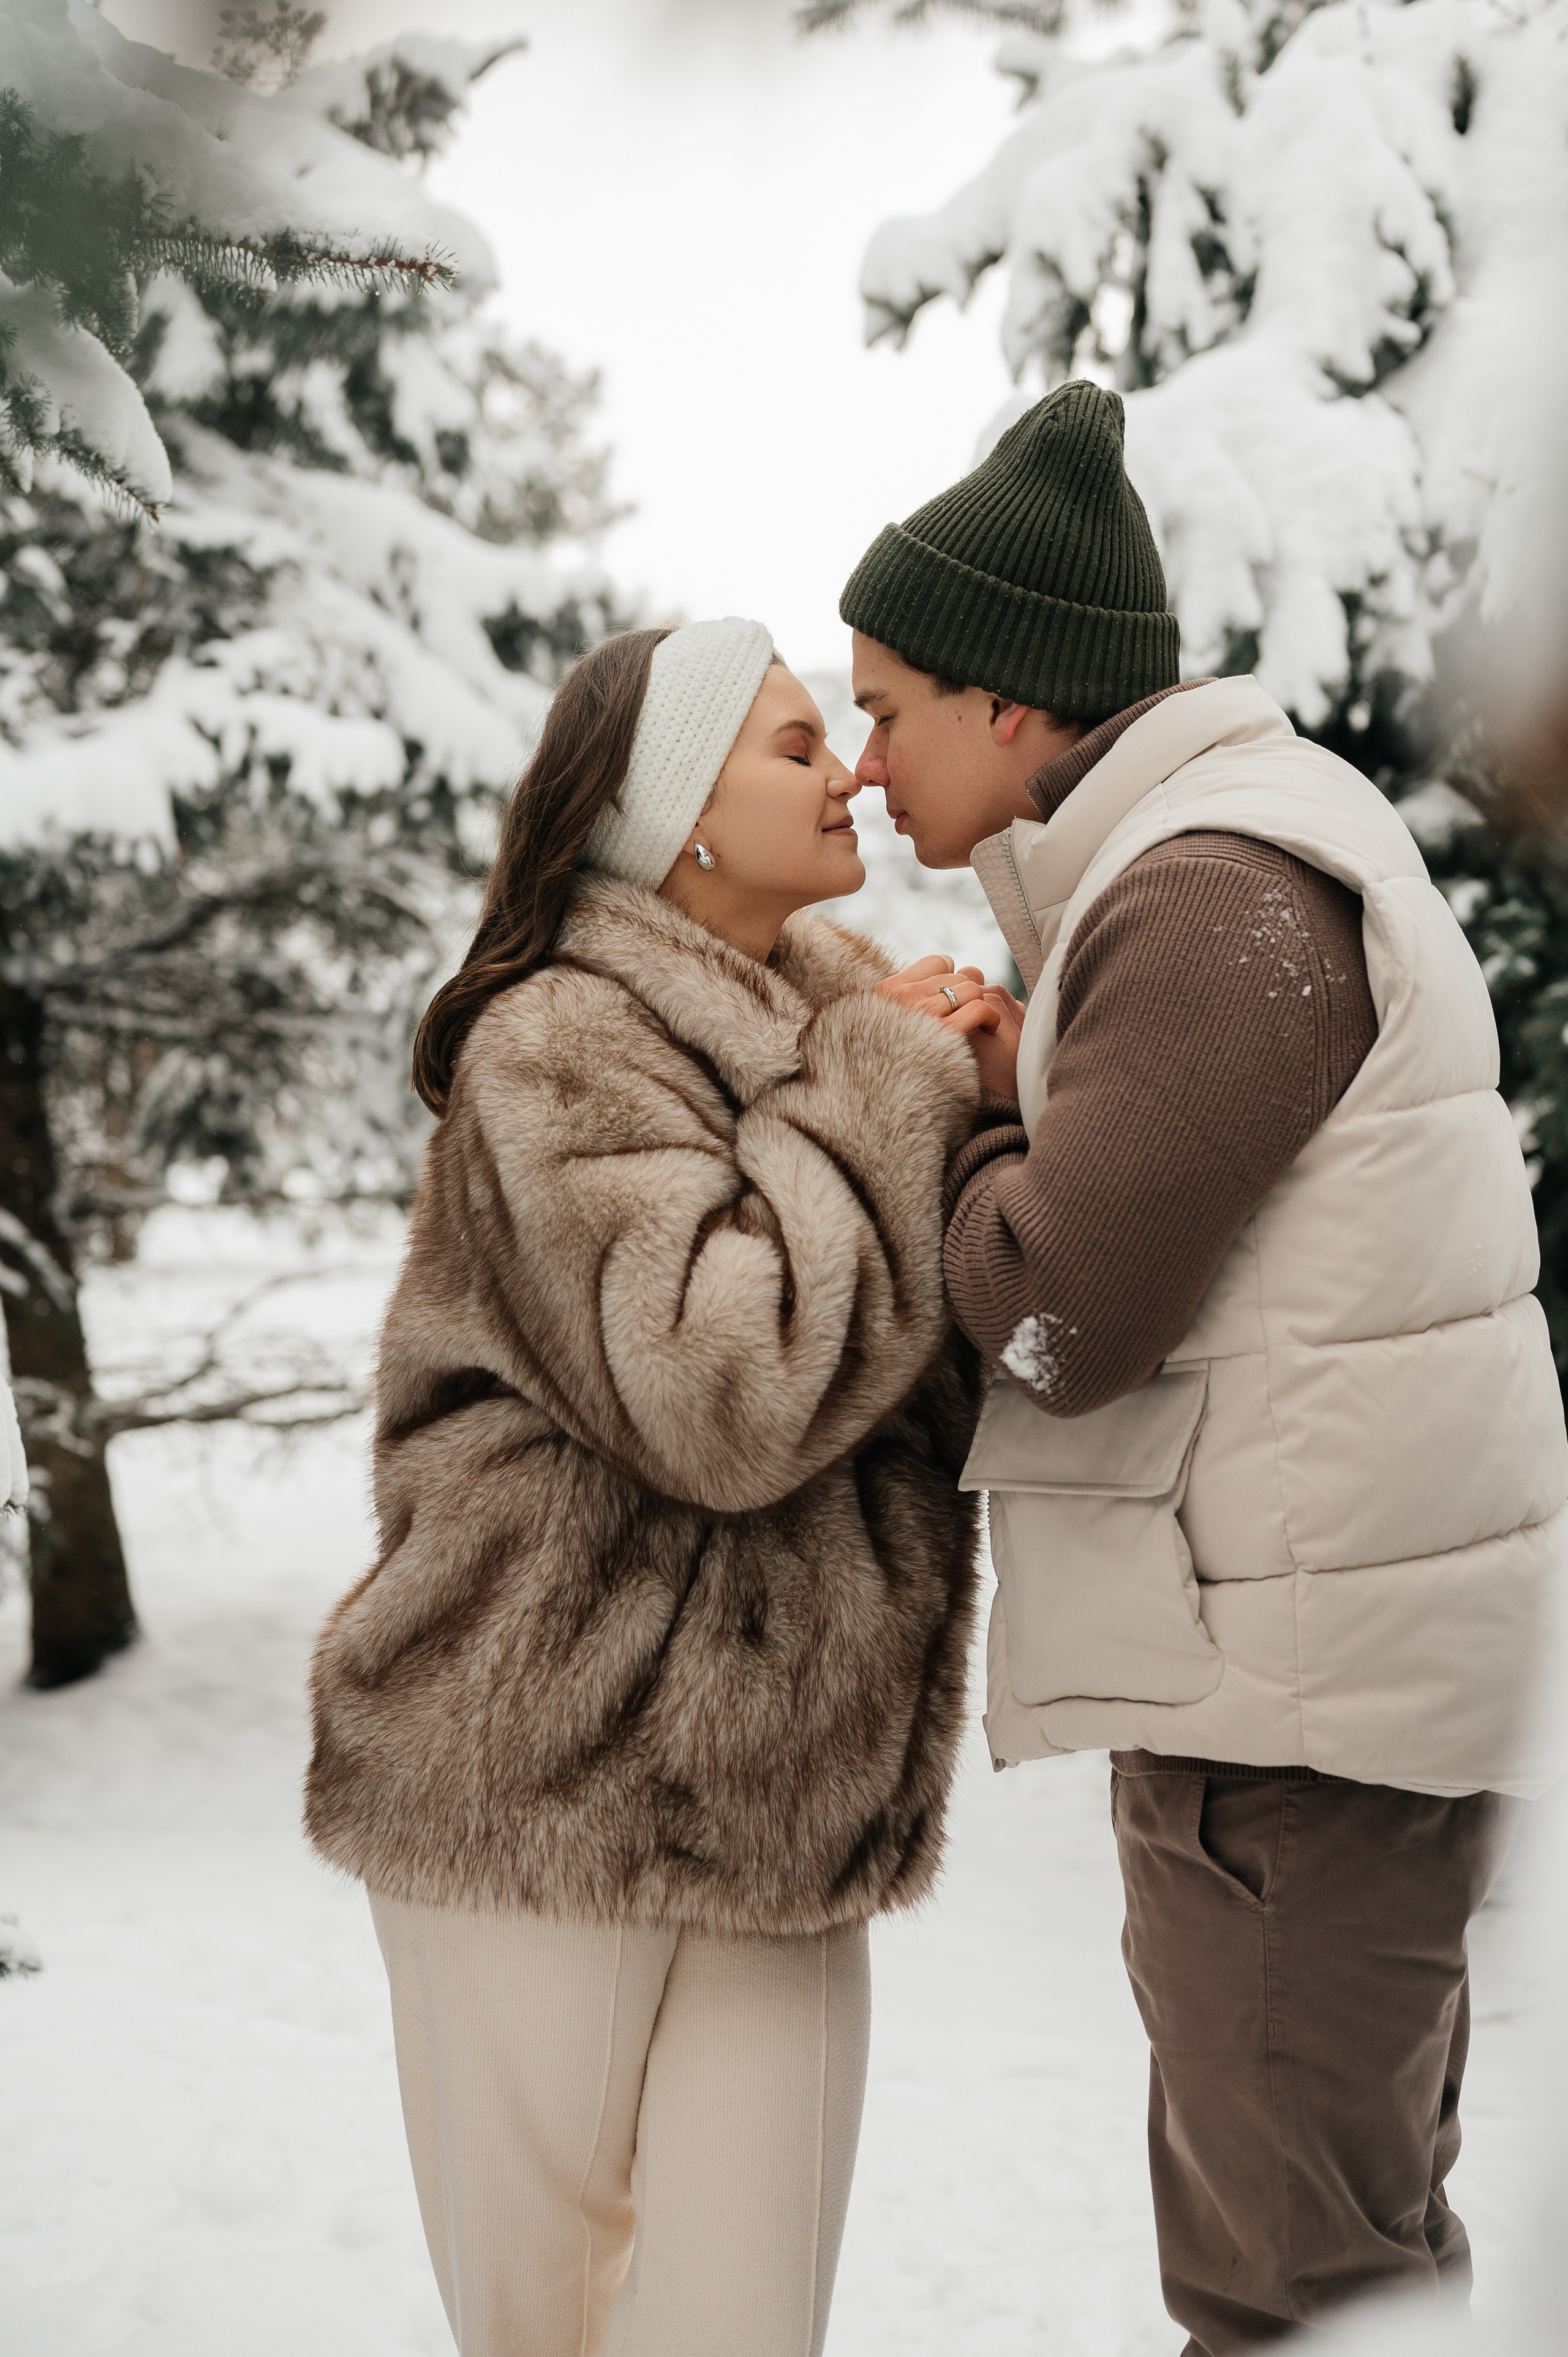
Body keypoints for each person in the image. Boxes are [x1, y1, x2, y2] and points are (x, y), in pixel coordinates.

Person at [840, 383, 1568, 2352]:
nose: (860, 755)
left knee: (1295, 2293)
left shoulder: (1204, 890)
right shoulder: (1232, 859)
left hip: (1296, 1723)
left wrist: (948, 1114)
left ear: (1009, 707)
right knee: (1359, 2255)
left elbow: (1066, 1321)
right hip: (1325, 1680)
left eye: (886, 702)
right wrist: (1030, 1086)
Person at [304, 619, 995, 2357]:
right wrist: (895, 1088)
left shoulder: (853, 1037)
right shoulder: (557, 1049)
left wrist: (985, 1118)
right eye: (787, 745)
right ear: (667, 809)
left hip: (787, 1812)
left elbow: (932, 1395)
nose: (843, 766)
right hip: (532, 1793)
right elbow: (726, 1387)